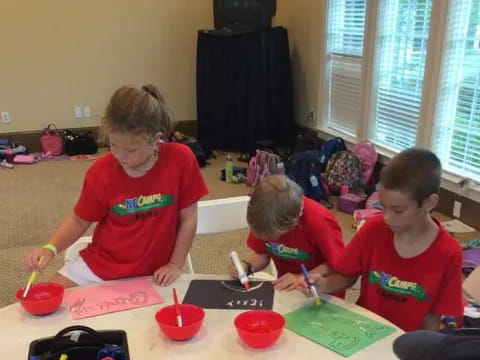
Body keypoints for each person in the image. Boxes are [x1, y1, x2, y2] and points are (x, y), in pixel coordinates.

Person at [26, 85, 208, 288]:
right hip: (101, 266)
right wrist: (50, 248)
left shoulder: (181, 159)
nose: (120, 156)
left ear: (156, 139)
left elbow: (189, 218)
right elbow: (79, 220)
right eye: (113, 145)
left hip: (156, 272)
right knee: (47, 301)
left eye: (131, 149)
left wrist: (175, 264)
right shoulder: (101, 172)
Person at [303, 148, 464, 331]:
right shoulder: (373, 229)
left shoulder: (449, 252)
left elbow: (435, 318)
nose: (386, 217)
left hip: (408, 344)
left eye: (398, 210)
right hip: (363, 331)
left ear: (430, 203)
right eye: (383, 206)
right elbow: (346, 275)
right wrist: (324, 284)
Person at [232, 175, 345, 292]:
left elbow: (337, 265)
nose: (269, 239)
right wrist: (247, 267)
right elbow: (262, 253)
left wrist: (300, 278)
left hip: (322, 291)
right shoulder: (264, 218)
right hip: (287, 288)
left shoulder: (320, 221)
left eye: (272, 236)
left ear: (294, 221)